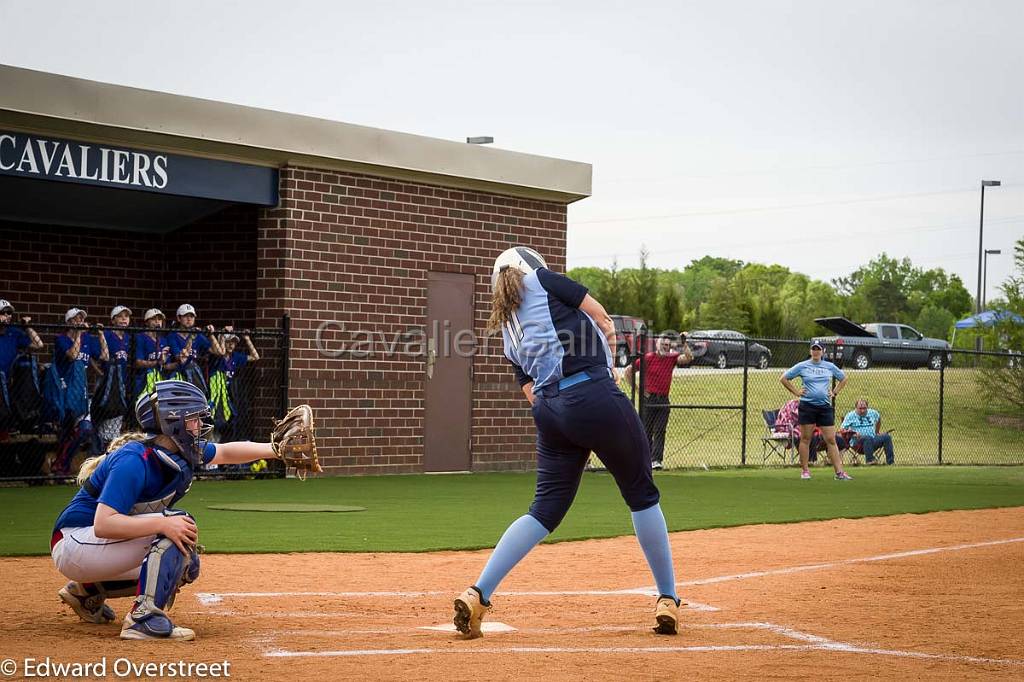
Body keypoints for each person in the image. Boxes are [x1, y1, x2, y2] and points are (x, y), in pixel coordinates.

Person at [453, 246, 680, 639]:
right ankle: (667, 598)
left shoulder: (507, 325)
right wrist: (607, 370)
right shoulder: (543, 279)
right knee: (642, 493)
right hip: (592, 393)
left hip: (551, 411)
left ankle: (478, 593)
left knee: (543, 510)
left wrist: (565, 407)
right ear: (530, 265)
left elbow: (530, 392)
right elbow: (602, 316)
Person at [50, 379, 279, 640]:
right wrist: (162, 524)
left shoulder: (178, 451)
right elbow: (104, 524)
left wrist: (277, 450)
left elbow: (226, 452)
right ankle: (143, 619)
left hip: (93, 546)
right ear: (172, 422)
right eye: (192, 418)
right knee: (177, 526)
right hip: (74, 541)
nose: (199, 425)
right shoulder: (134, 459)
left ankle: (86, 592)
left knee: (185, 562)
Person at [780, 341, 852, 480]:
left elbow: (843, 378)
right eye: (813, 349)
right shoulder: (803, 366)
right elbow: (783, 379)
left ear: (823, 351)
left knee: (831, 439)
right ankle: (805, 471)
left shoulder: (829, 366)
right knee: (806, 438)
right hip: (807, 407)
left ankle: (839, 473)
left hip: (824, 407)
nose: (816, 351)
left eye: (818, 349)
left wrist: (835, 392)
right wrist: (796, 392)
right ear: (810, 351)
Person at [51, 308, 109, 475]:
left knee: (85, 429)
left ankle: (62, 463)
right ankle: (61, 466)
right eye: (76, 319)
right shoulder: (61, 339)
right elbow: (73, 355)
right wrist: (78, 335)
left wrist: (100, 335)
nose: (80, 322)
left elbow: (104, 356)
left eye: (81, 319)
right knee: (66, 430)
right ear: (69, 322)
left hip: (82, 392)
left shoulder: (87, 339)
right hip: (64, 391)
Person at [623, 334, 693, 469]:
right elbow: (628, 371)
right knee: (646, 430)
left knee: (660, 430)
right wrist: (639, 390)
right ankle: (645, 459)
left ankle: (656, 460)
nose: (665, 347)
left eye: (667, 345)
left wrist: (684, 344)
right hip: (649, 399)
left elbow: (688, 358)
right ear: (657, 345)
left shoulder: (671, 358)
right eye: (663, 344)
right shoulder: (648, 358)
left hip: (663, 399)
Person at [209, 327, 260, 444]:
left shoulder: (235, 357)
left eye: (233, 342)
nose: (231, 345)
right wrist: (221, 336)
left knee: (230, 423)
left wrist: (247, 339)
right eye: (228, 342)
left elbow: (255, 357)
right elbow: (220, 352)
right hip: (216, 394)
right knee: (215, 422)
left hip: (230, 394)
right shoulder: (216, 355)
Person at [161, 304, 224, 394]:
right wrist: (191, 339)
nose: (189, 319)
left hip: (194, 376)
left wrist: (211, 335)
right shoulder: (172, 336)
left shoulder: (198, 336)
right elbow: (182, 359)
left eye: (191, 316)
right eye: (185, 316)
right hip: (177, 375)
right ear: (179, 318)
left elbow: (218, 352)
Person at [95, 306, 133, 450]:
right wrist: (97, 369)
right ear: (113, 319)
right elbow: (97, 356)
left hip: (121, 383)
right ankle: (101, 449)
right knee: (106, 414)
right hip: (107, 382)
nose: (124, 319)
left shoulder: (129, 338)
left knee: (117, 417)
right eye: (120, 316)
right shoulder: (107, 335)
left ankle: (110, 447)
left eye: (126, 316)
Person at [841, 398, 895, 465]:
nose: (862, 410)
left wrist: (877, 432)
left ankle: (891, 462)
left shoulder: (873, 413)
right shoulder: (850, 416)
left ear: (867, 407)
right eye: (860, 408)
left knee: (887, 437)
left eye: (864, 408)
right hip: (858, 443)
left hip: (873, 440)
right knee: (867, 438)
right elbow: (843, 430)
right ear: (856, 408)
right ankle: (870, 461)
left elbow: (878, 419)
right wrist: (853, 434)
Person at [0, 298, 44, 378]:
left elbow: (38, 345)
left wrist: (26, 326)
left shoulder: (14, 332)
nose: (6, 315)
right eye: (3, 312)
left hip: (8, 381)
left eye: (9, 312)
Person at [134, 309, 168, 404]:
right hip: (143, 379)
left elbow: (166, 364)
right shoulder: (141, 338)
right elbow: (138, 362)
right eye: (153, 319)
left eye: (160, 319)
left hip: (160, 379)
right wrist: (157, 363)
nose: (157, 322)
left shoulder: (164, 340)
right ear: (146, 322)